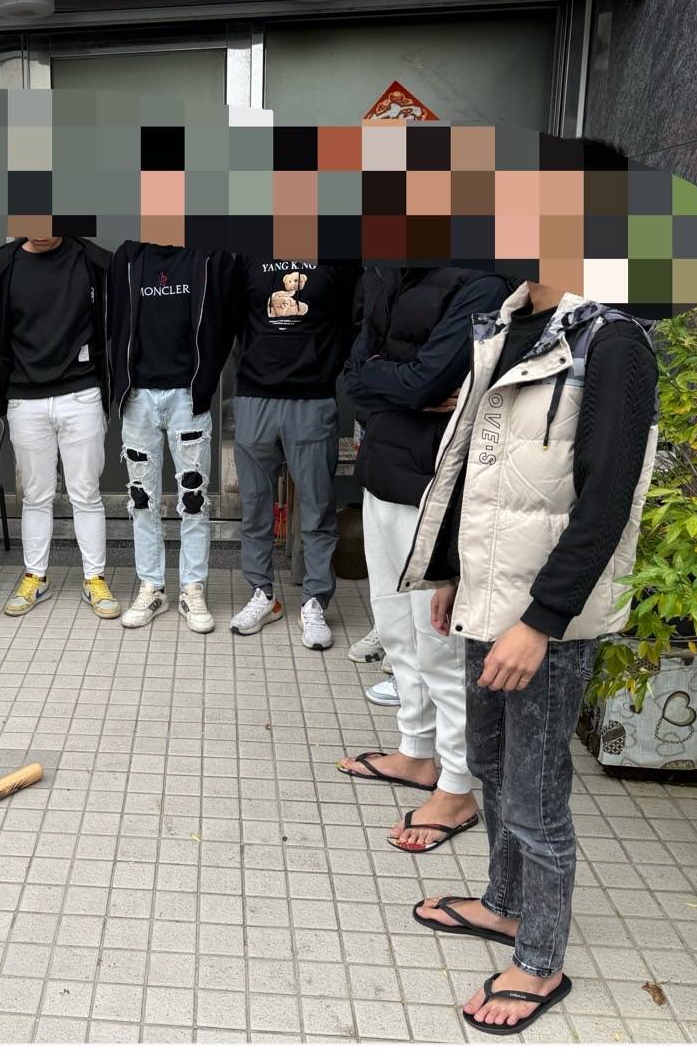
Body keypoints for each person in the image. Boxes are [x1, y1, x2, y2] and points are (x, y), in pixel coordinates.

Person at [402, 281, 659, 1034]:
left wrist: (542, 620)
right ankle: (504, 905)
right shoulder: (509, 321)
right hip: (488, 595)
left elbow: (609, 498)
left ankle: (540, 959)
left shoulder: (612, 340)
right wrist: (452, 572)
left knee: (535, 795)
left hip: (546, 620)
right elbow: (476, 470)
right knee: (488, 762)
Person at [337, 267, 511, 857]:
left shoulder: (481, 281)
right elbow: (354, 376)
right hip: (383, 470)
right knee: (394, 628)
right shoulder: (385, 273)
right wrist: (402, 384)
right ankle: (416, 751)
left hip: (437, 484)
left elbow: (424, 380)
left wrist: (396, 381)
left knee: (439, 643)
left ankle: (457, 786)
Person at [108, 242, 241, 633]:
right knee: (141, 499)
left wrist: (207, 376)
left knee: (194, 499)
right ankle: (152, 586)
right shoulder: (128, 259)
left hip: (188, 395)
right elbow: (113, 320)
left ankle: (192, 588)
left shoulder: (210, 257)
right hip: (139, 396)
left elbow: (229, 319)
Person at [228, 259, 360, 649]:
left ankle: (315, 600)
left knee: (317, 506)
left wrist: (325, 370)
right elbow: (234, 316)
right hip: (255, 395)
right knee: (255, 504)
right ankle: (262, 594)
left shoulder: (339, 254)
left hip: (312, 397)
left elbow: (350, 321)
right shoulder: (246, 251)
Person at [0, 235, 121, 619]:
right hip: (25, 396)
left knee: (86, 494)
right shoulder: (2, 264)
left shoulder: (93, 260)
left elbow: (109, 322)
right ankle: (35, 577)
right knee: (35, 496)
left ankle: (94, 579)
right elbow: (3, 327)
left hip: (81, 392)